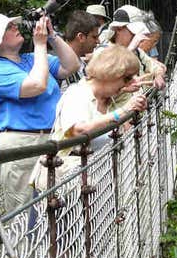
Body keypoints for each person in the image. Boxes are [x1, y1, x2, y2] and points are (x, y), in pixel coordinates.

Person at [0, 12, 80, 212]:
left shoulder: (31, 59)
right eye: (8, 27)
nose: (15, 27)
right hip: (21, 146)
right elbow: (37, 85)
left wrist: (52, 36)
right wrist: (40, 45)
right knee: (25, 215)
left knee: (56, 210)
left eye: (13, 25)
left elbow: (71, 66)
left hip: (51, 139)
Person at [31, 45, 148, 184]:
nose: (129, 82)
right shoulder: (78, 94)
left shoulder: (108, 99)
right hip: (65, 187)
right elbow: (78, 130)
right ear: (111, 73)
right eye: (127, 78)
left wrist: (126, 96)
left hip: (93, 183)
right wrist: (123, 111)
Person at [98, 5, 166, 90]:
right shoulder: (102, 51)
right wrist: (130, 49)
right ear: (119, 29)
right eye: (134, 33)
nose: (138, 37)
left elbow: (157, 67)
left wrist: (158, 76)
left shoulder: (137, 52)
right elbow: (103, 87)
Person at [61, 10, 101, 90]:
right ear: (81, 37)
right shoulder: (58, 66)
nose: (98, 41)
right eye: (94, 37)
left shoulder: (84, 65)